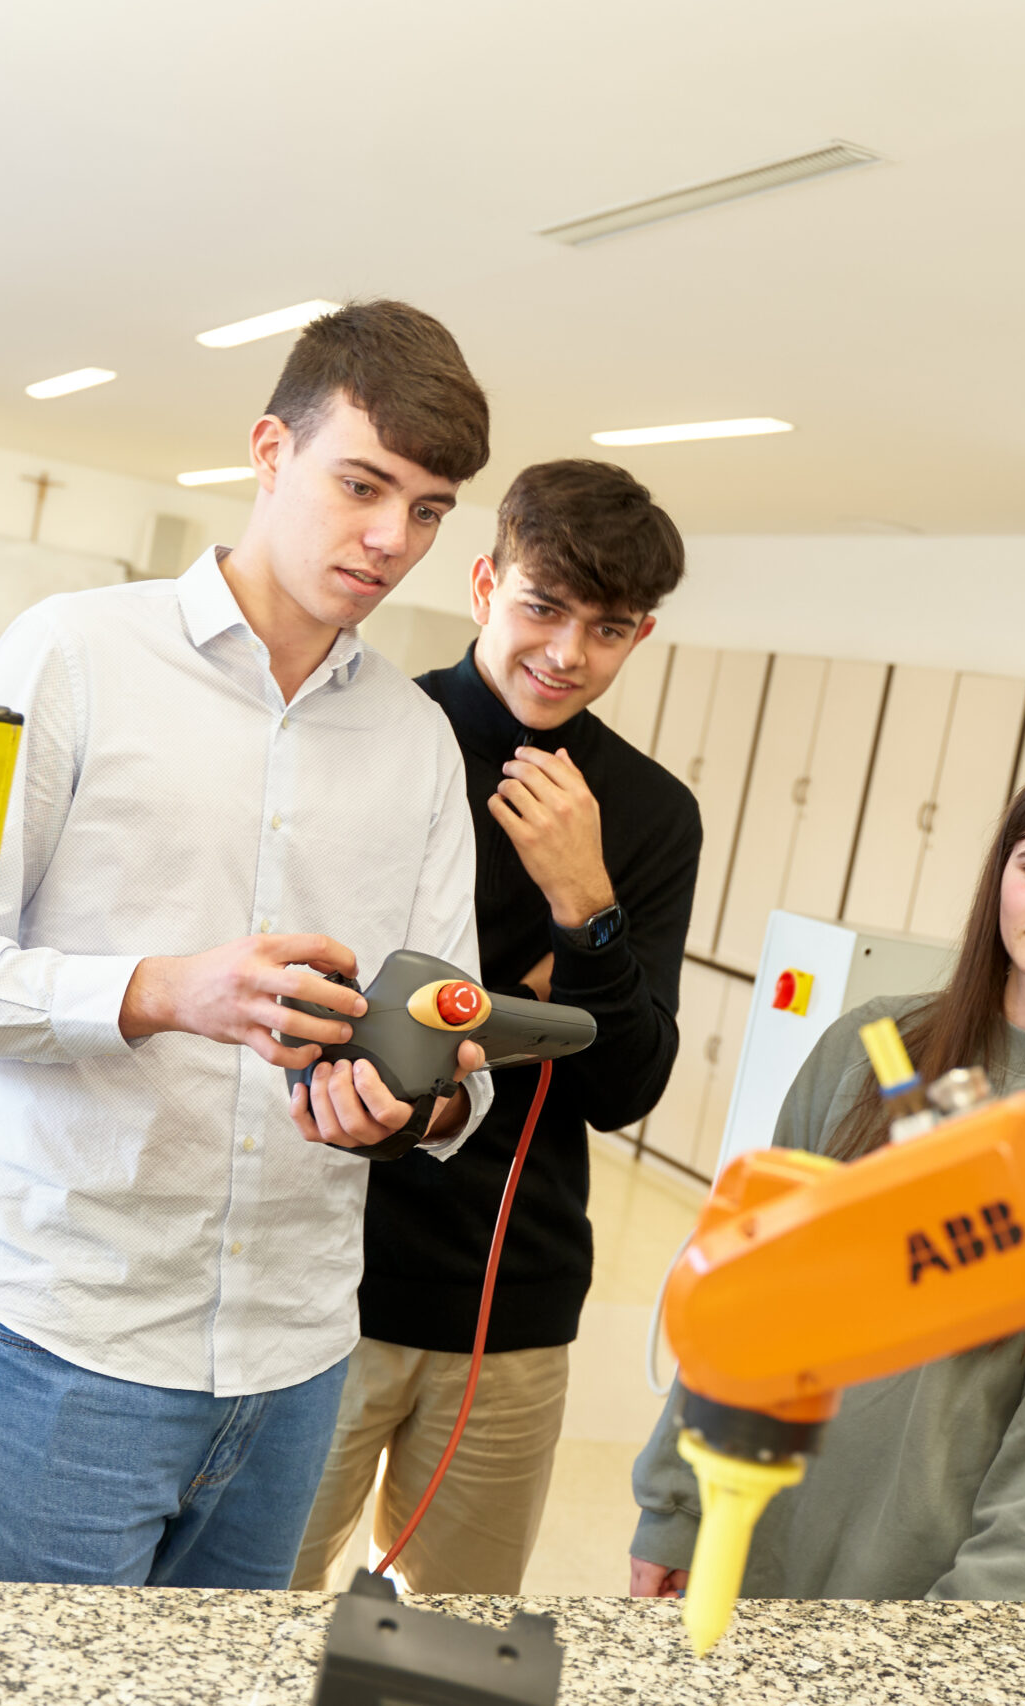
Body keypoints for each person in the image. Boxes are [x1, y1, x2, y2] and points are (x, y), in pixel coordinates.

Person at [0, 300, 497, 1592]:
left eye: (426, 510)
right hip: (73, 1330)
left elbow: (458, 1062)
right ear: (267, 450)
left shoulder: (415, 739)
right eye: (363, 484)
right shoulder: (73, 654)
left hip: (296, 1356)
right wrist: (162, 990)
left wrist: (405, 1111)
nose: (388, 539)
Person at [629, 753, 1025, 1604]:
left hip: (927, 1606)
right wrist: (675, 1508)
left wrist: (963, 1647)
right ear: (1000, 872)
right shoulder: (866, 1052)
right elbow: (744, 1299)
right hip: (748, 1551)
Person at [292, 461, 702, 1594]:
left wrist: (588, 905)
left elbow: (620, 1086)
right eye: (542, 607)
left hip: (508, 1295)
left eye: (607, 627)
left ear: (640, 632)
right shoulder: (371, 729)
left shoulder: (652, 813)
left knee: (451, 1648)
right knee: (250, 1614)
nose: (568, 651)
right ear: (484, 582)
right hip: (326, 1275)